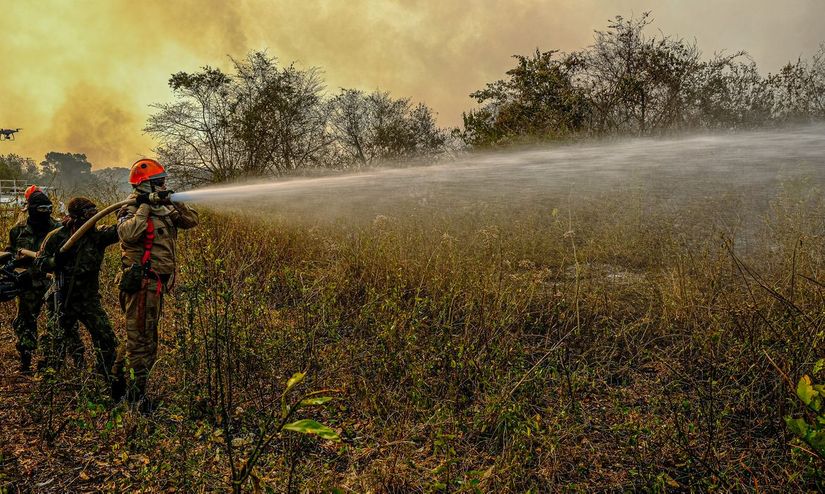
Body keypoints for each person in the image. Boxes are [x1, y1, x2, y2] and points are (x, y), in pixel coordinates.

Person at [112, 158, 198, 407]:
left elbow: (191, 221)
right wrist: (144, 207)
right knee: (142, 343)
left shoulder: (165, 207)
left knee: (139, 337)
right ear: (144, 186)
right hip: (142, 285)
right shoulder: (130, 210)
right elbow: (127, 234)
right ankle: (136, 397)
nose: (163, 186)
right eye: (158, 183)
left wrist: (172, 201)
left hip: (156, 285)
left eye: (164, 182)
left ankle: (117, 383)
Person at [36, 197, 119, 383]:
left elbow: (122, 231)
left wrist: (128, 209)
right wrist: (55, 261)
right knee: (55, 340)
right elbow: (40, 263)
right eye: (88, 214)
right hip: (61, 297)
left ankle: (106, 375)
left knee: (105, 337)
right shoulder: (57, 236)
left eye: (94, 213)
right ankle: (49, 380)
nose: (92, 218)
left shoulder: (98, 235)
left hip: (88, 299)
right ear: (75, 216)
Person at [4, 186, 60, 373]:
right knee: (25, 322)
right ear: (30, 209)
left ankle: (49, 363)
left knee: (56, 322)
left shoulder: (58, 230)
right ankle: (26, 361)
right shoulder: (18, 231)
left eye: (47, 208)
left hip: (53, 283)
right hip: (27, 284)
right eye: (40, 209)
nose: (45, 213)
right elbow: (10, 254)